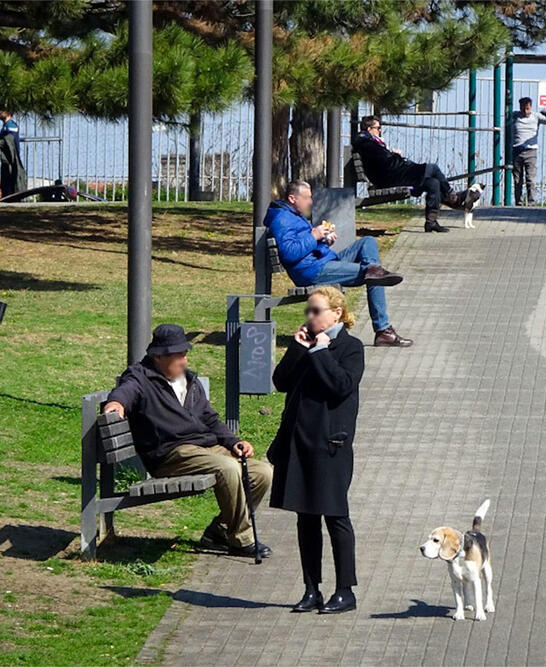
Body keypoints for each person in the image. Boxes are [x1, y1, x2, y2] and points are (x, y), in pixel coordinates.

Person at [102, 324, 273, 558]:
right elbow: (125, 392)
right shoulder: (140, 377)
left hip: (205, 448)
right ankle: (241, 539)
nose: (184, 360)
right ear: (159, 356)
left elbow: (210, 418)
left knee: (262, 472)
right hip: (171, 453)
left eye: (185, 354)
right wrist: (116, 406)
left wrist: (233, 442)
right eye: (178, 355)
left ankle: (220, 531)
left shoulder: (188, 380)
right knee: (228, 468)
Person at [268, 287, 364, 615]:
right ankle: (312, 589)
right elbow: (280, 381)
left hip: (330, 446)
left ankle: (345, 591)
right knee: (305, 517)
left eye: (316, 311)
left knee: (335, 516)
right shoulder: (306, 345)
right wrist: (297, 348)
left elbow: (340, 387)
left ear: (336, 313)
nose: (310, 317)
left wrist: (320, 353)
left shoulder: (350, 348)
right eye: (308, 312)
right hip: (299, 444)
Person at [265, 179, 413, 348]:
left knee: (368, 243)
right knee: (373, 276)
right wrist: (314, 235)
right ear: (292, 199)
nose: (311, 202)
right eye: (307, 198)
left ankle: (373, 270)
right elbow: (290, 253)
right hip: (312, 270)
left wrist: (324, 241)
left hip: (321, 261)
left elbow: (305, 247)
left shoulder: (294, 216)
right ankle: (383, 330)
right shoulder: (282, 219)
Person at [354, 115, 476, 233]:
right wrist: (396, 155)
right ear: (369, 129)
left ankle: (431, 222)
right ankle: (454, 198)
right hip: (392, 178)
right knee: (432, 168)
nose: (380, 131)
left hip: (395, 175)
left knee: (433, 183)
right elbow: (386, 162)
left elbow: (384, 160)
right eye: (378, 128)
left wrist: (394, 155)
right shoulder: (367, 143)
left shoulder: (371, 142)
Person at [511, 97, 546, 206]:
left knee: (530, 178)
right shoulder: (515, 115)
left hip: (531, 151)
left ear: (531, 107)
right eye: (523, 109)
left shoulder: (536, 116)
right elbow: (507, 116)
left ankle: (531, 202)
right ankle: (518, 202)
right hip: (517, 151)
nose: (525, 111)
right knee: (517, 179)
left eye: (527, 108)